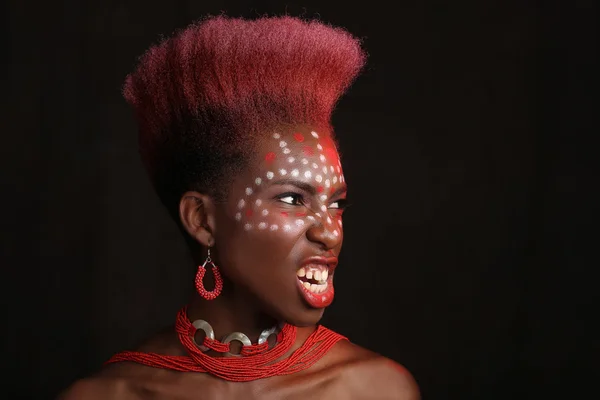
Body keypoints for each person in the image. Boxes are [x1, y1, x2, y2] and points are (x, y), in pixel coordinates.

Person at [58, 14, 420, 399]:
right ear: (202, 220)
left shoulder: (374, 389)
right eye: (293, 199)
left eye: (336, 203)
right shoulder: (109, 394)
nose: (329, 231)